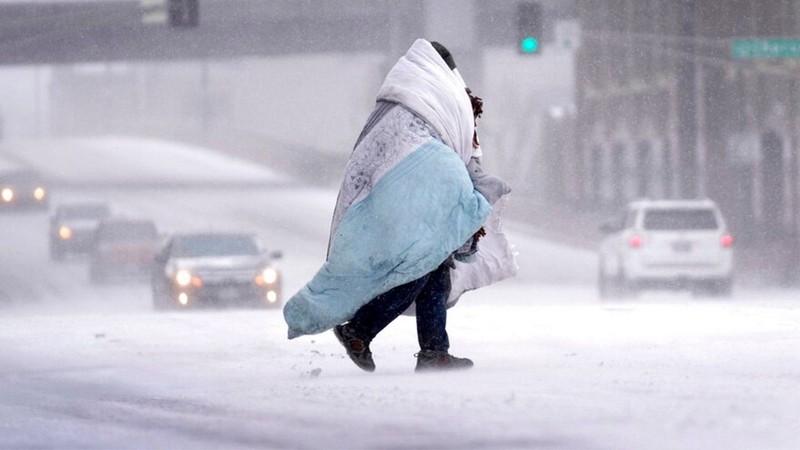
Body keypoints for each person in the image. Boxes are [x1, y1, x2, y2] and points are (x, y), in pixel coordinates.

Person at [283, 39, 515, 371]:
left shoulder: (401, 100)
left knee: (434, 266)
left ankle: (434, 350)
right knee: (421, 263)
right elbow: (447, 149)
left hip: (392, 195)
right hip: (409, 195)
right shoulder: (436, 97)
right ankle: (360, 330)